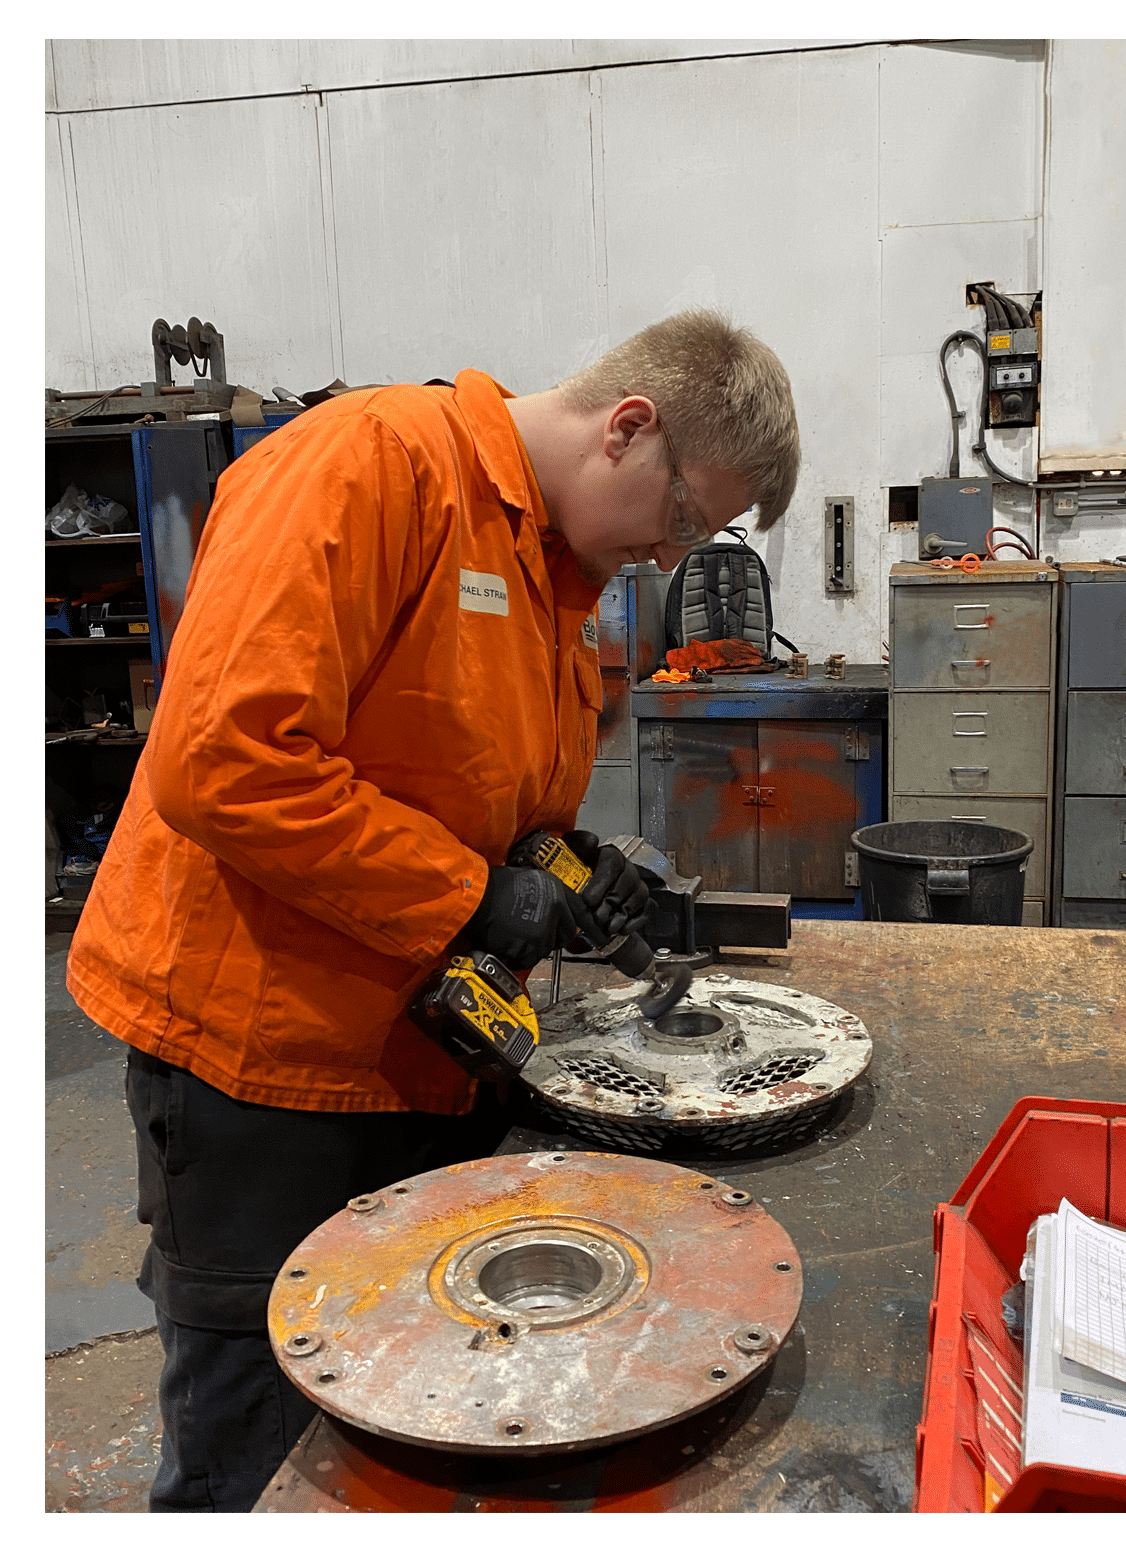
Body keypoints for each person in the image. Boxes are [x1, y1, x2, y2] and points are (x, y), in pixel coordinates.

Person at [65, 310, 801, 1510]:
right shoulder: (373, 464)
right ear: (630, 427)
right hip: (262, 1067)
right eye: (685, 520)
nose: (675, 557)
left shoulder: (556, 578)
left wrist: (562, 860)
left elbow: (454, 779)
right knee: (257, 1434)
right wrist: (468, 893)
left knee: (408, 1411)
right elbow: (223, 759)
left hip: (419, 1051)